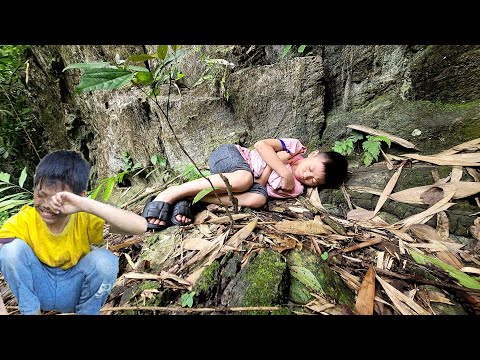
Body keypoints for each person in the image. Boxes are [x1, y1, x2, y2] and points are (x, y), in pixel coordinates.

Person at [0, 150, 148, 315]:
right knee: (11, 250)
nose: (47, 205)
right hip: (39, 288)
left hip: (74, 290)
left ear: (79, 196)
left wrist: (84, 205)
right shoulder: (24, 220)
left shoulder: (84, 217)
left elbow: (140, 226)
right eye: (41, 195)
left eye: (59, 198)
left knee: (105, 260)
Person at [142, 138, 348, 230]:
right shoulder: (294, 147)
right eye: (311, 169)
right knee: (244, 178)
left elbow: (260, 184)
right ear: (312, 155)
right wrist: (283, 167)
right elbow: (260, 145)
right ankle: (170, 193)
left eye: (314, 181)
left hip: (248, 182)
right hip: (232, 156)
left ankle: (188, 197)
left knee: (258, 199)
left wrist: (278, 170)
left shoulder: (295, 188)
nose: (307, 176)